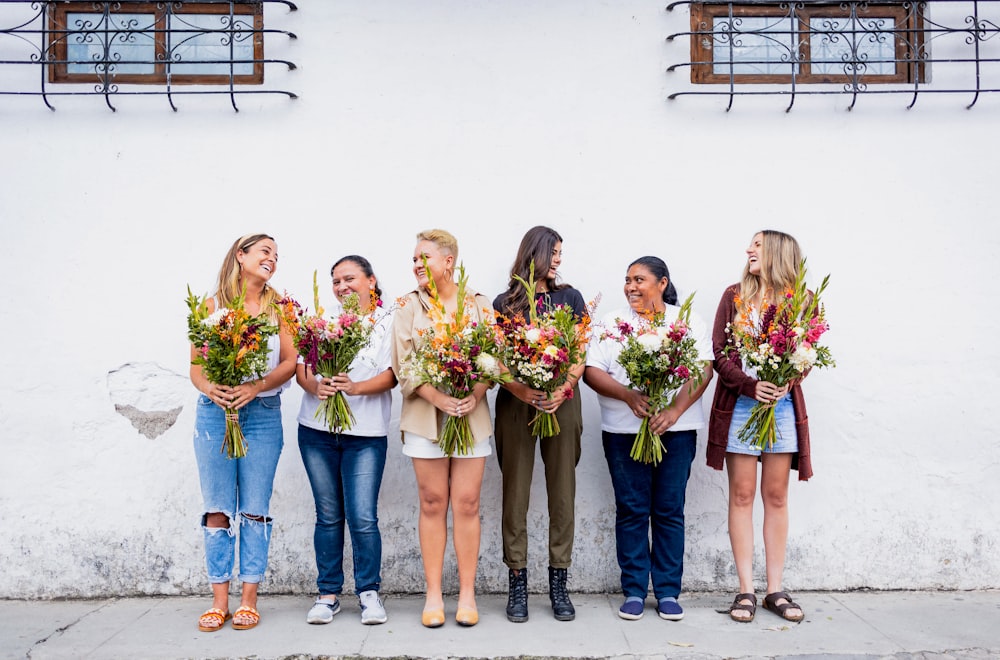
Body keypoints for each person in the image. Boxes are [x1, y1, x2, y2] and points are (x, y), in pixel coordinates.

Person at [583, 256, 713, 622]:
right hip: (623, 432)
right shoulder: (612, 323)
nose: (630, 287)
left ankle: (669, 591)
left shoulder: (685, 322)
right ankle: (635, 590)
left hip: (677, 431)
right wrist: (628, 395)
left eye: (639, 279)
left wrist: (674, 410)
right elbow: (592, 371)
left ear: (662, 283)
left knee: (669, 510)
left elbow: (704, 369)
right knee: (632, 511)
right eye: (627, 280)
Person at [189, 233, 296, 632]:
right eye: (266, 251)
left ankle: (249, 599)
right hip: (215, 415)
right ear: (241, 254)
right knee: (218, 507)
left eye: (276, 255)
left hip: (263, 412)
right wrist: (210, 389)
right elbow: (196, 366)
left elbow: (289, 362)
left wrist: (256, 386)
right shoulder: (210, 305)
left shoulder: (279, 307)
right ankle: (219, 601)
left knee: (254, 508)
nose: (272, 259)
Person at [707, 230, 811, 624]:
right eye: (750, 245)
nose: (749, 250)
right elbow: (719, 352)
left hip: (781, 408)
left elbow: (807, 351)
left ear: (778, 253)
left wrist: (789, 377)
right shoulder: (734, 295)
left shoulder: (801, 302)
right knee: (742, 494)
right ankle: (745, 590)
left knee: (777, 495)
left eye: (757, 245)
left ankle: (775, 590)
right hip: (740, 406)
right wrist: (751, 384)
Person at [391, 229, 494, 628]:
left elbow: (494, 360)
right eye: (414, 259)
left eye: (424, 257)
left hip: (471, 417)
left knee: (467, 504)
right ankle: (433, 595)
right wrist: (439, 399)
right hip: (425, 417)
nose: (417, 265)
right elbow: (404, 366)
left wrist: (476, 392)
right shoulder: (407, 307)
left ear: (448, 261)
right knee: (432, 503)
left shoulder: (479, 305)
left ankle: (466, 595)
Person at [493, 226, 586, 623]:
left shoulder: (571, 298)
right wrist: (521, 390)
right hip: (517, 402)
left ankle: (559, 583)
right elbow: (495, 358)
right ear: (536, 253)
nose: (560, 260)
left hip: (562, 402)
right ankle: (517, 582)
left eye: (562, 253)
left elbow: (581, 350)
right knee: (515, 493)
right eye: (555, 252)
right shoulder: (504, 302)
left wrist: (563, 387)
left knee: (562, 491)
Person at [297, 256, 396, 626]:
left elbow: (393, 375)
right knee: (327, 516)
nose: (342, 287)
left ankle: (369, 592)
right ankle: (328, 594)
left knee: (363, 517)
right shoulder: (324, 322)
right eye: (336, 281)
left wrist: (355, 387)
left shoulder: (387, 322)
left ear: (371, 281)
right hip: (316, 431)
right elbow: (302, 371)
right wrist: (316, 385)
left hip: (365, 435)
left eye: (349, 279)